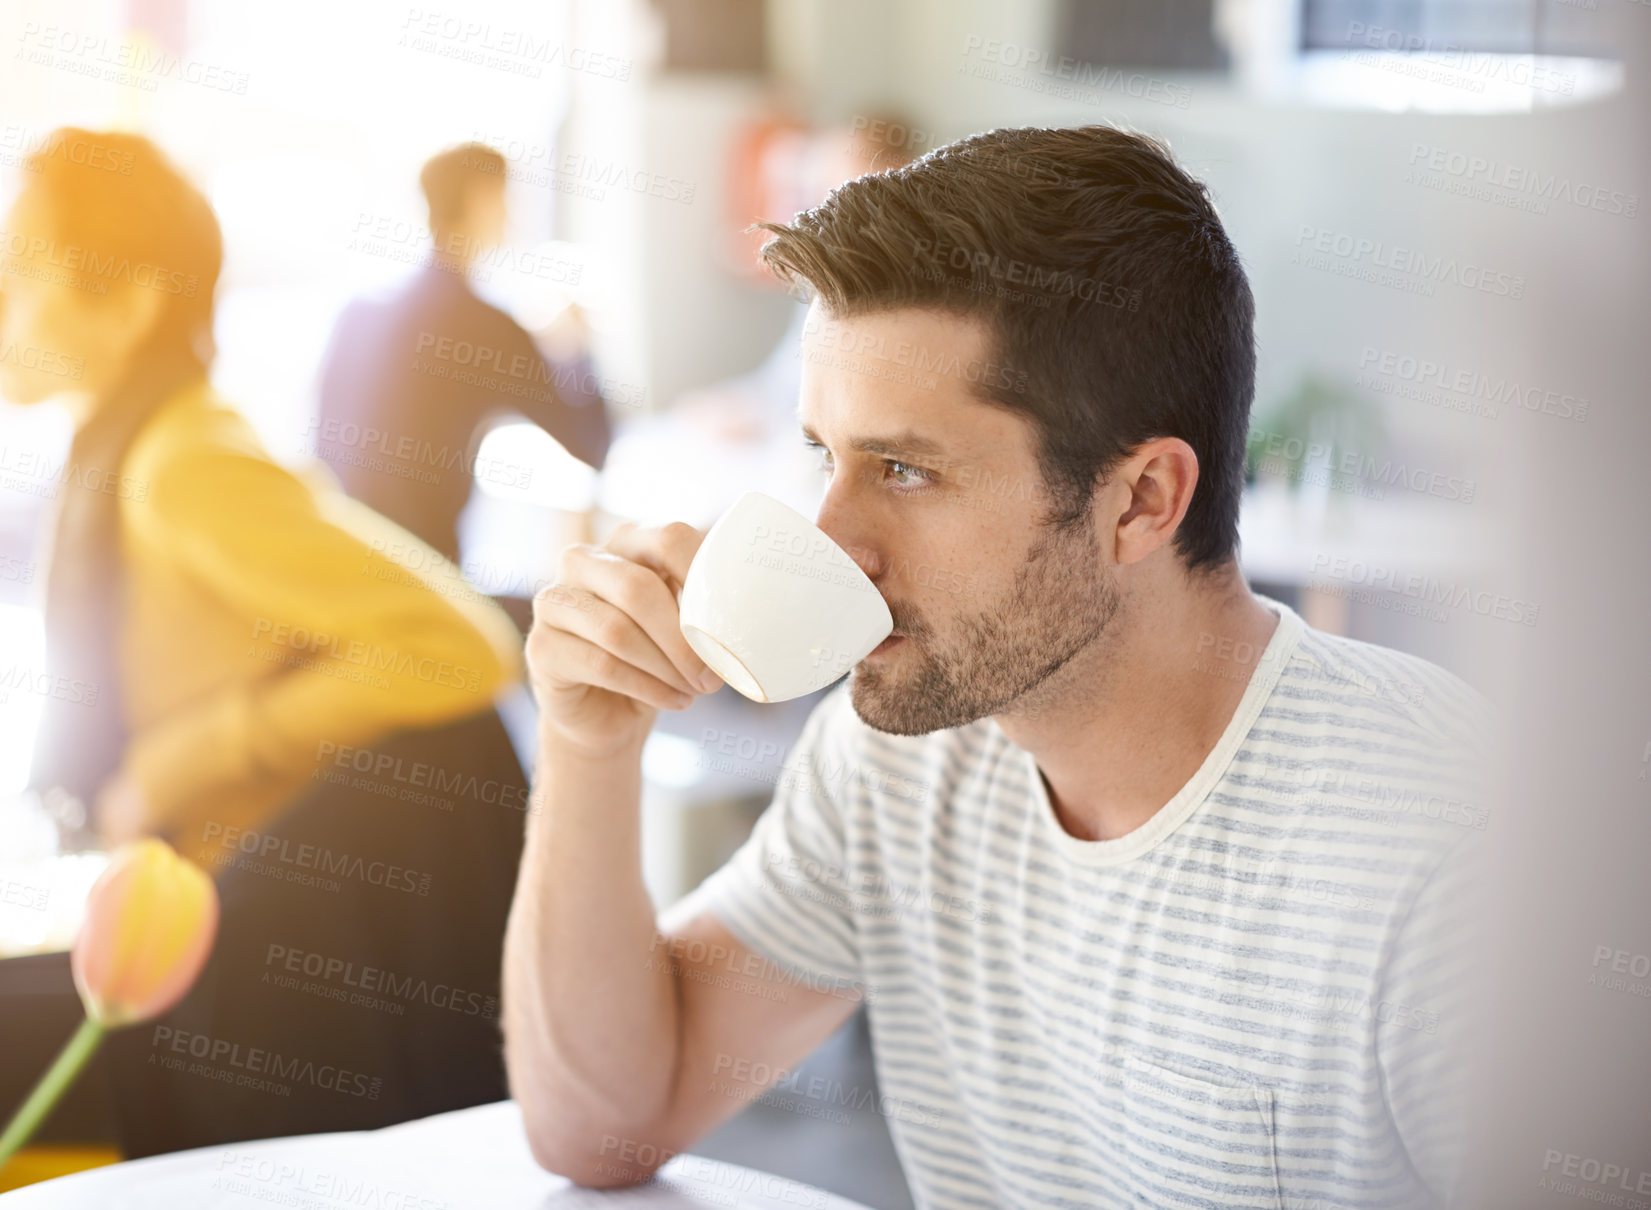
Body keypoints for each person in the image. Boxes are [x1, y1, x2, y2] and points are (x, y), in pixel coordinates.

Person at [501, 126, 1488, 1207]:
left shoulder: (1442, 852)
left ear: (1142, 500)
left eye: (905, 470)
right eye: (825, 457)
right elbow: (601, 1126)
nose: (833, 538)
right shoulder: (900, 763)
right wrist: (588, 742)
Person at [2, 129, 534, 1154]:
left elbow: (460, 645)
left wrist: (180, 759)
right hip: (198, 917)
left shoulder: (180, 463)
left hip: (255, 952)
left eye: (23, 270)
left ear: (133, 297)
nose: (1, 299)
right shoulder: (115, 449)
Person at [313, 142, 611, 572]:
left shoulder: (360, 310)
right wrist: (576, 344)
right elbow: (591, 444)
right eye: (510, 199)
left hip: (343, 568)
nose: (515, 215)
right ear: (483, 199)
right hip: (425, 588)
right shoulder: (482, 324)